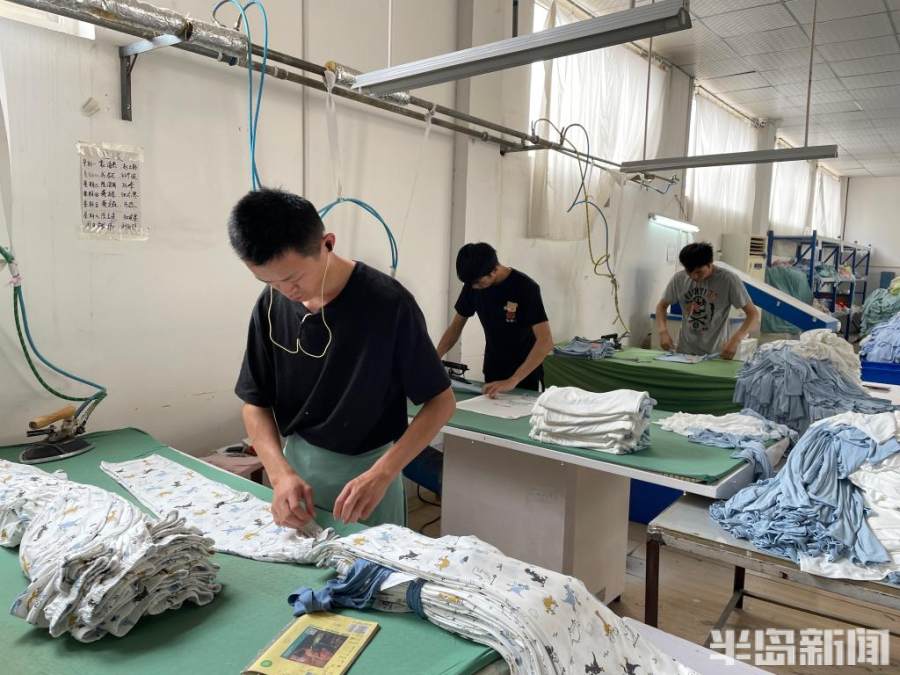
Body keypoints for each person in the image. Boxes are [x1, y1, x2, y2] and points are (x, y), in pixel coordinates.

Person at [229, 188, 455, 529]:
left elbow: (441, 402)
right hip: (297, 475)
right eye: (268, 281)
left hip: (369, 477)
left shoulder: (387, 304)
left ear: (327, 244)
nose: (285, 291)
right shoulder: (271, 303)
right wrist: (279, 474)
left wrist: (383, 473)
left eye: (292, 278)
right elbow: (254, 402)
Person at [436, 243, 553, 397]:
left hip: (525, 376)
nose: (474, 287)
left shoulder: (525, 288)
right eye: (471, 284)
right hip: (493, 371)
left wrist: (513, 380)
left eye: (478, 283)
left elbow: (545, 341)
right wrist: (434, 359)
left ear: (494, 270)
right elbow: (455, 328)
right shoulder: (472, 286)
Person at [655, 242, 759, 360]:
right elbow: (661, 306)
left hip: (716, 353)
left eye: (699, 272)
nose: (693, 276)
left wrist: (736, 340)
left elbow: (753, 314)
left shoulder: (728, 280)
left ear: (710, 264)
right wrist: (663, 332)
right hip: (685, 351)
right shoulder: (679, 279)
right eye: (689, 271)